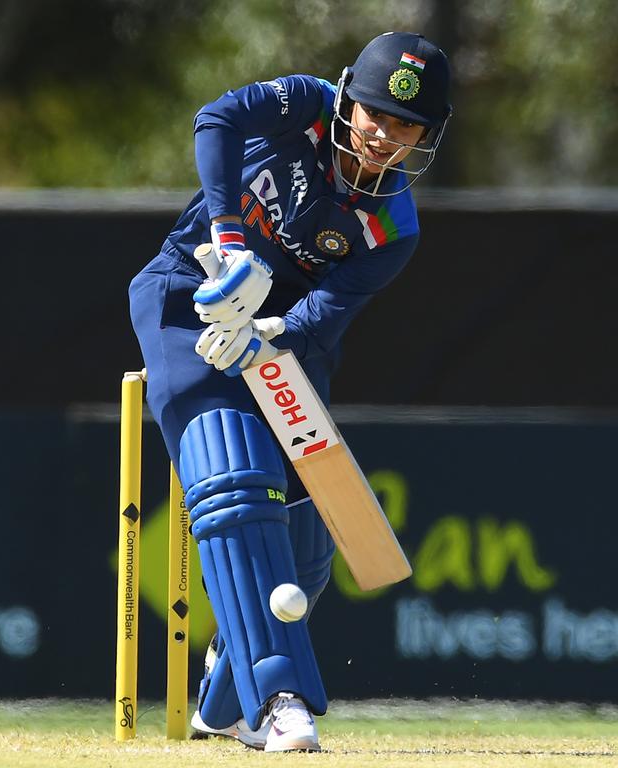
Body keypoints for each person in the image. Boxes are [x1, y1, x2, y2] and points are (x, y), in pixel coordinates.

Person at [129, 32, 451, 752]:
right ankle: (279, 697)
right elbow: (215, 120)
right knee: (233, 476)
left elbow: (323, 319)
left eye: (406, 127)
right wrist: (230, 241)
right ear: (348, 99)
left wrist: (267, 335)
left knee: (306, 555)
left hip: (278, 342)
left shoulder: (393, 226)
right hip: (189, 293)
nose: (383, 137)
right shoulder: (303, 105)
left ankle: (225, 701)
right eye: (375, 114)